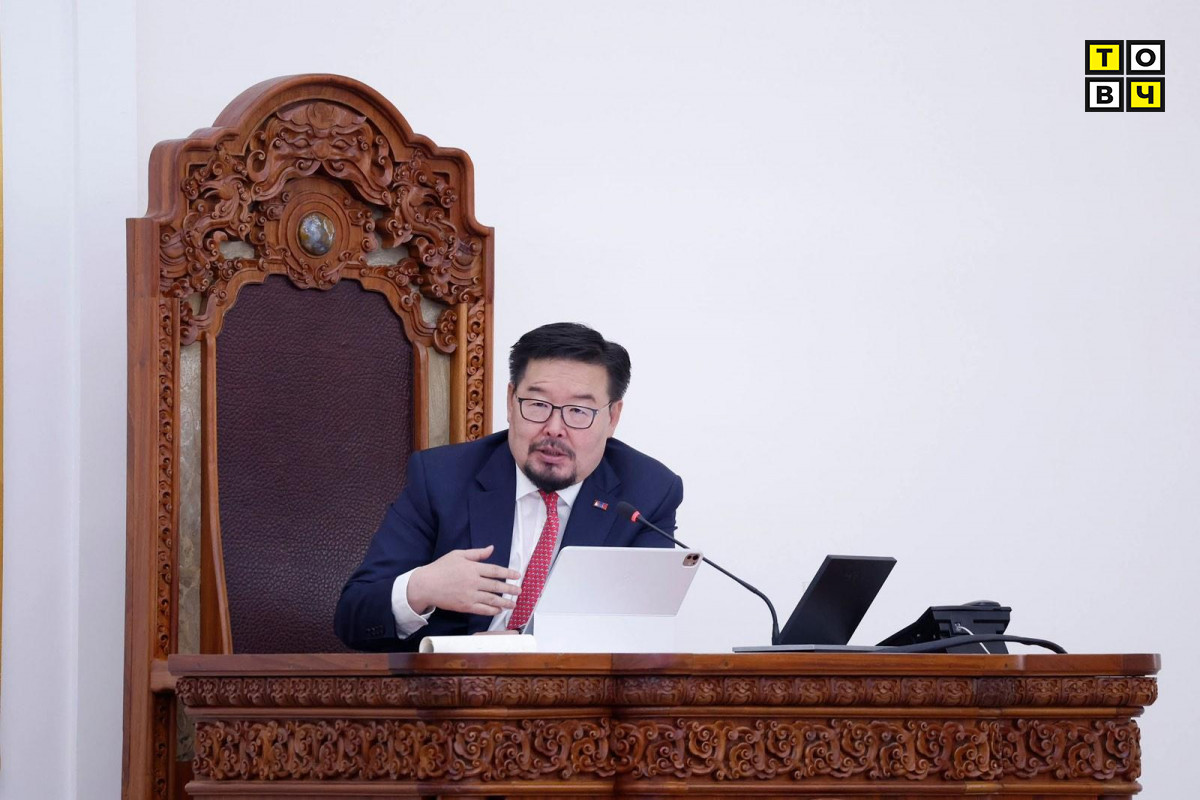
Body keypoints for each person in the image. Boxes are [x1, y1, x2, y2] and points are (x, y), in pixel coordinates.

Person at [334, 322, 684, 651]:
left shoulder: (647, 493)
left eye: (578, 411)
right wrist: (422, 588)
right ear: (510, 402)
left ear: (612, 417)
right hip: (452, 687)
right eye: (538, 404)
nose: (554, 428)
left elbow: (644, 633)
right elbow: (353, 617)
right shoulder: (442, 478)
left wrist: (522, 648)